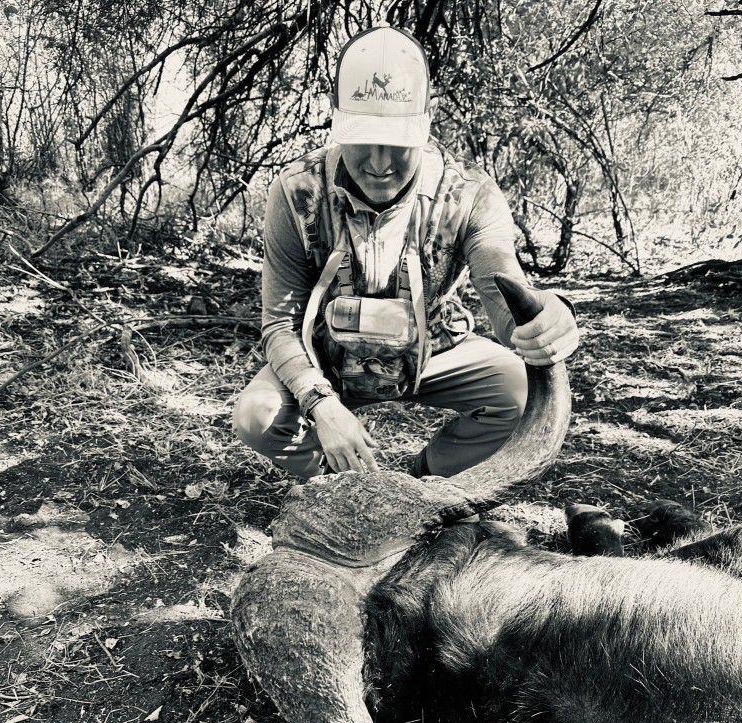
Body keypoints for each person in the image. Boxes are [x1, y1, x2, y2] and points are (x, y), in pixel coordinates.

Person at [234, 24, 579, 480]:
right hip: (326, 357)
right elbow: (280, 324)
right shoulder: (297, 191)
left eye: (398, 140)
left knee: (519, 395)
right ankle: (338, 486)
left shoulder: (469, 194)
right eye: (363, 136)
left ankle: (427, 483)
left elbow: (502, 290)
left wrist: (546, 321)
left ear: (427, 118)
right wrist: (320, 403)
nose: (380, 163)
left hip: (432, 348)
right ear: (336, 116)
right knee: (256, 416)